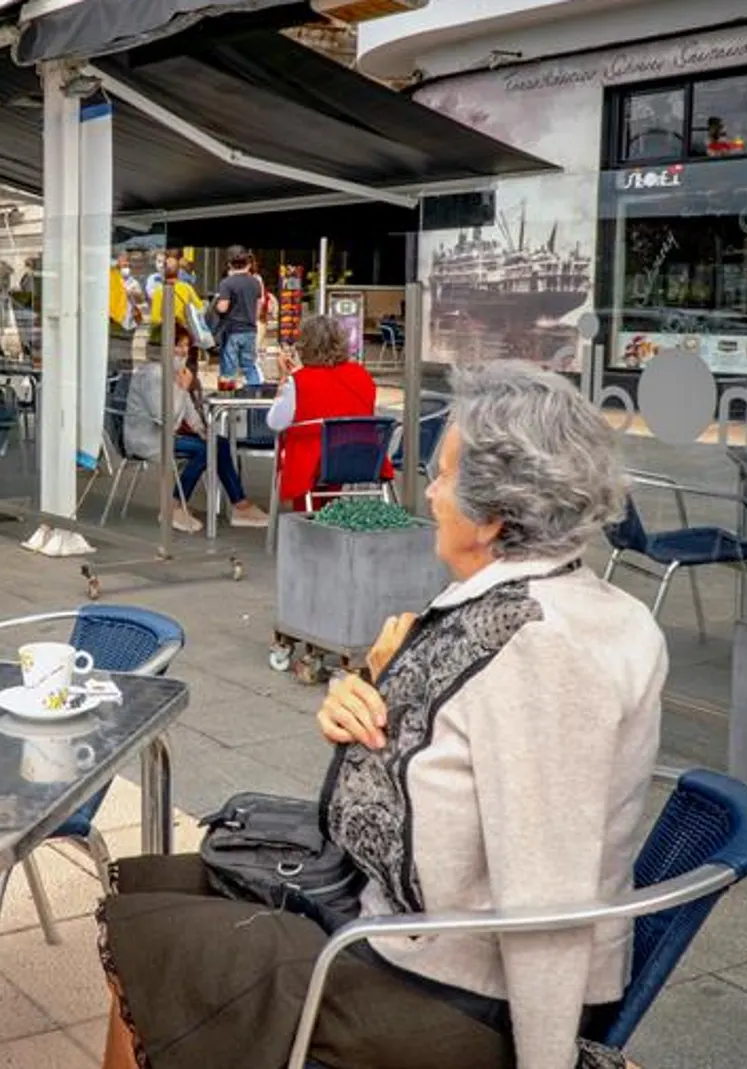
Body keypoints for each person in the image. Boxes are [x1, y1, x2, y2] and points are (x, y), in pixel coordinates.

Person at [98, 361, 659, 1069]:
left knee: (152, 945)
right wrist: (364, 688)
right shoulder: (529, 601)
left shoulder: (541, 650)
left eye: (444, 475)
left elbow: (548, 900)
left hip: (452, 992)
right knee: (155, 889)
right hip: (397, 918)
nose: (430, 490)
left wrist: (546, 1060)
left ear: (492, 517)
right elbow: (443, 740)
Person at [122, 328, 270, 532]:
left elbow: (188, 410)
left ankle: (240, 505)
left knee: (218, 443)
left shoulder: (172, 372)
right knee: (207, 449)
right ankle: (173, 505)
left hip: (164, 436)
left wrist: (202, 430)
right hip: (147, 439)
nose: (184, 351)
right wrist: (183, 389)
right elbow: (165, 418)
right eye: (178, 345)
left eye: (185, 345)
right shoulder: (153, 374)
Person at [267, 315, 392, 511]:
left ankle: (306, 518)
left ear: (305, 346)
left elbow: (275, 423)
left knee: (294, 448)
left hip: (316, 462)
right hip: (363, 457)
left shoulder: (299, 381)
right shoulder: (361, 374)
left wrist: (285, 379)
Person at [212, 247, 265, 389]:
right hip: (250, 330)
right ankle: (255, 394)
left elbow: (223, 307)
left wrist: (215, 306)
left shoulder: (227, 283)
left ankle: (228, 397)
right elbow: (258, 309)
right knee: (249, 366)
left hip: (232, 330)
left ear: (230, 264)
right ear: (248, 264)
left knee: (229, 368)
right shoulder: (255, 282)